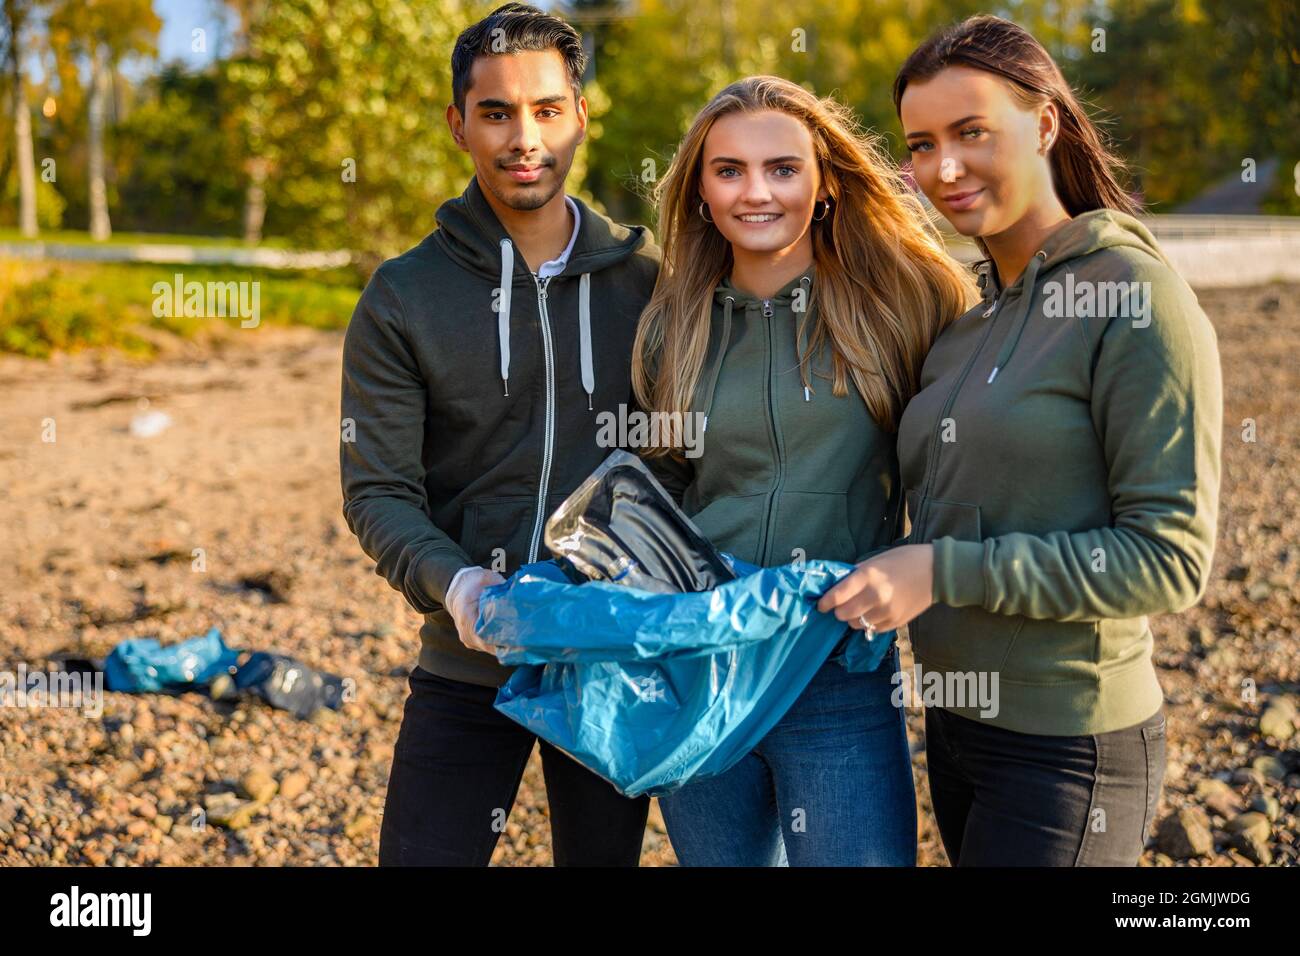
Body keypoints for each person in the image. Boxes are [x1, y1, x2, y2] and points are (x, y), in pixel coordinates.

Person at [820, 15, 1223, 866]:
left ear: (1043, 123)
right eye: (922, 145)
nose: (944, 168)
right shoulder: (966, 323)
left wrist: (941, 569)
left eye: (972, 132)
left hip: (1072, 744)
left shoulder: (1134, 298)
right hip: (959, 728)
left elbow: (1170, 559)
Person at [340, 2, 660, 866]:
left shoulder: (652, 285)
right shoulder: (404, 297)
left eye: (547, 109)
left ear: (580, 116)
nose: (525, 137)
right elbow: (379, 492)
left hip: (608, 658)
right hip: (466, 658)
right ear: (458, 124)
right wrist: (462, 591)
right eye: (496, 112)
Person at [633, 75, 973, 866]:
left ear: (823, 184)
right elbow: (664, 494)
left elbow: (962, 467)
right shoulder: (671, 324)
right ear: (699, 190)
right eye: (729, 171)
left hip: (838, 675)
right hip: (705, 674)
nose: (757, 192)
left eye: (782, 168)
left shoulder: (909, 298)